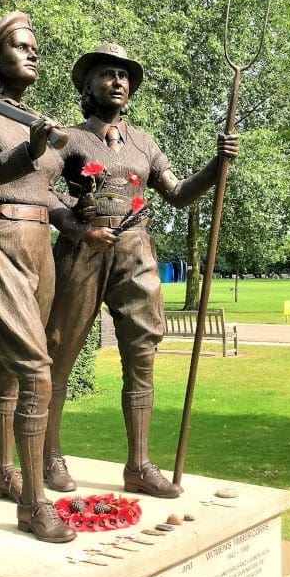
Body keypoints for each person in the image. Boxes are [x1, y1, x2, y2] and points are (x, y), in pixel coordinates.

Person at [44, 43, 238, 498]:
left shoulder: (144, 143)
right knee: (61, 353)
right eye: (108, 74)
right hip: (83, 250)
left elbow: (179, 192)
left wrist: (217, 163)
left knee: (142, 356)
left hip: (136, 251)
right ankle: (49, 456)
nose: (118, 82)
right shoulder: (68, 138)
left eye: (124, 76)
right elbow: (41, 190)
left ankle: (139, 465)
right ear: (87, 86)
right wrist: (75, 226)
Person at [0, 11, 77, 543]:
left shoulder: (33, 115)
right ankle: (32, 504)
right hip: (0, 239)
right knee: (36, 369)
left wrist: (84, 212)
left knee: (10, 365)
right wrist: (29, 150)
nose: (34, 54)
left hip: (40, 244)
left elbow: (49, 194)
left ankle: (4, 471)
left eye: (35, 47)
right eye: (22, 47)